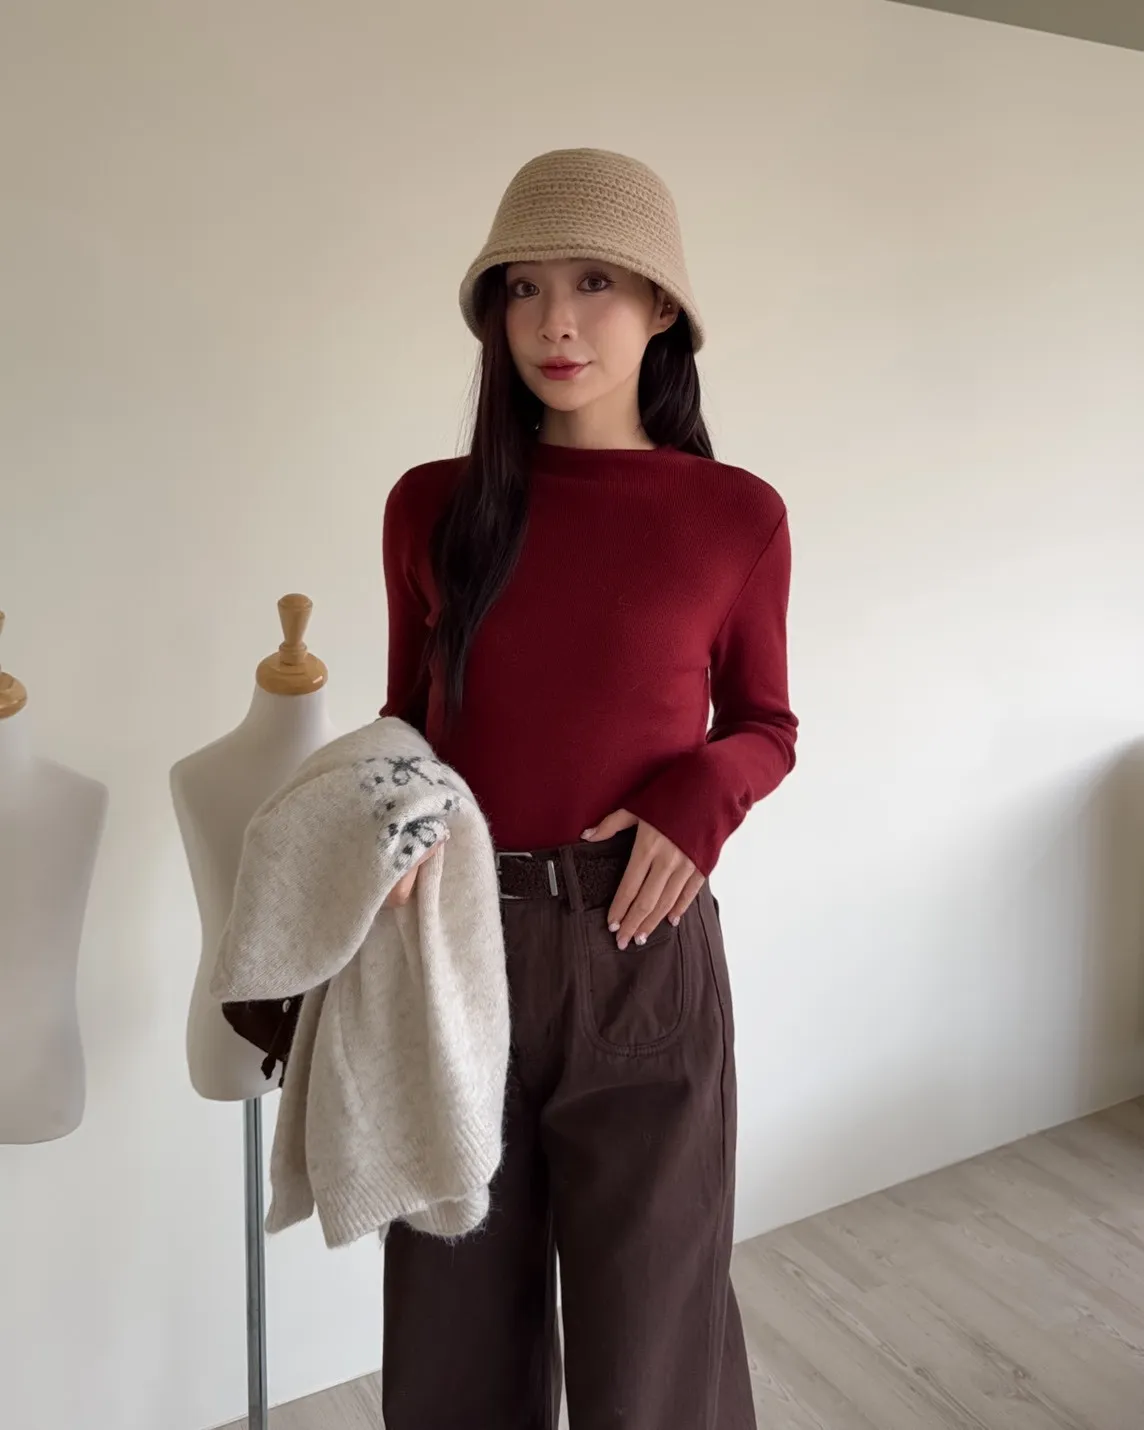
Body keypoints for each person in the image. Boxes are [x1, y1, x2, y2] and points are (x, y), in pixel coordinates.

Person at [377, 147, 797, 1430]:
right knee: (450, 1337)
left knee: (652, 1338)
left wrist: (692, 801)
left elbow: (765, 726)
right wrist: (384, 831)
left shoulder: (734, 515)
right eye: (523, 288)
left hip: (637, 944)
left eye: (595, 282)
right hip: (454, 941)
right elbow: (405, 723)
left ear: (662, 306)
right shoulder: (432, 506)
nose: (554, 322)